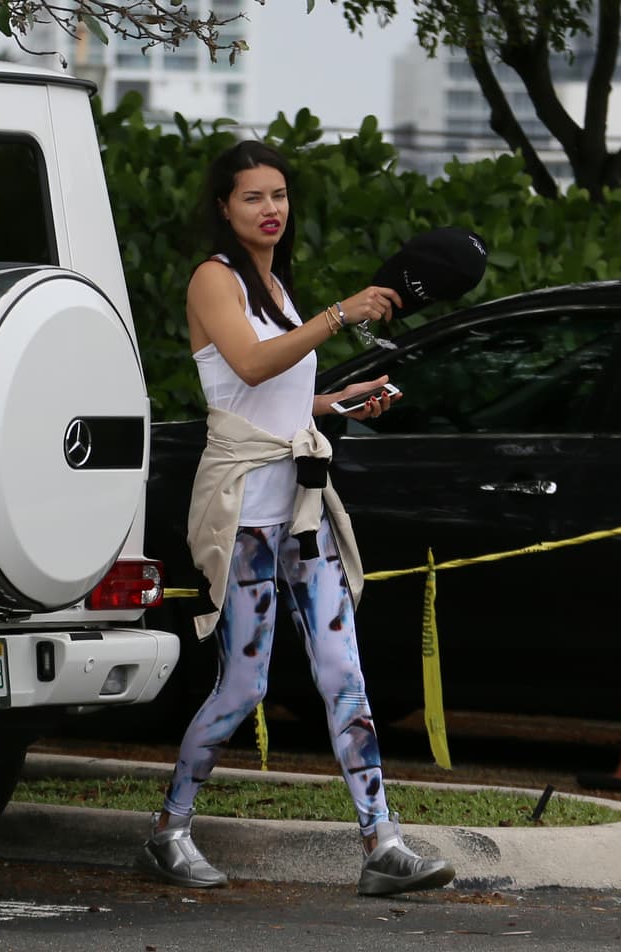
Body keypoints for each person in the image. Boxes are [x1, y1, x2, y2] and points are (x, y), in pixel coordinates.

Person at [135, 139, 456, 898]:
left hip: (301, 511)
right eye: (253, 196)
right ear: (224, 208)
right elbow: (249, 366)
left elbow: (274, 396)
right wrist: (341, 314)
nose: (270, 208)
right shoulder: (214, 279)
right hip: (243, 512)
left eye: (278, 195)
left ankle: (383, 842)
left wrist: (337, 403)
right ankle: (169, 830)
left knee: (344, 673)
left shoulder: (275, 285)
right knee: (243, 686)